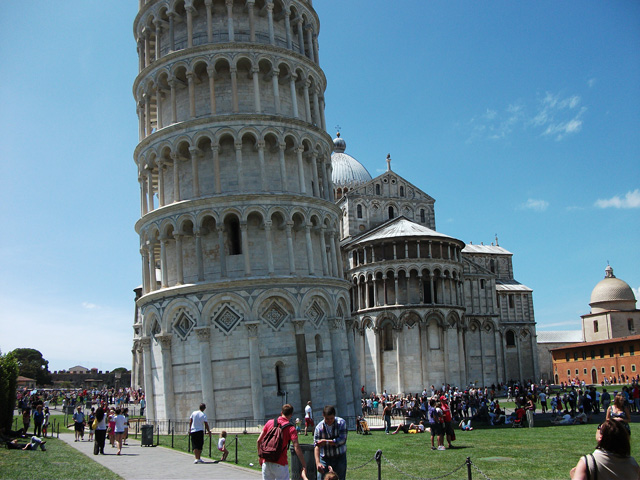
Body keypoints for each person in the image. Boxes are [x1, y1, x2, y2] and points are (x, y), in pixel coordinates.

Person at [570, 420, 640, 479]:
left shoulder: (588, 462)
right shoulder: (633, 464)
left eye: (600, 427)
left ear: (601, 437)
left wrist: (574, 476)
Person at [257, 403, 307, 480]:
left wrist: (260, 457)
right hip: (280, 463)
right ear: (291, 415)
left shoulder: (270, 422)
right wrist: (304, 464)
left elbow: (259, 440)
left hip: (266, 462)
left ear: (281, 413)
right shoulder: (291, 428)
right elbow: (296, 446)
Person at [314, 405, 348, 480]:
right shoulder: (319, 428)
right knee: (321, 478)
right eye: (327, 419)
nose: (329, 421)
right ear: (323, 415)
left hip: (339, 457)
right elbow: (316, 446)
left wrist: (326, 442)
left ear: (334, 416)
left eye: (331, 418)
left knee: (340, 478)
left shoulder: (341, 423)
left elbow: (342, 440)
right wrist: (317, 463)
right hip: (324, 458)